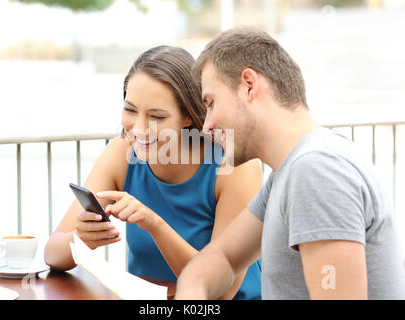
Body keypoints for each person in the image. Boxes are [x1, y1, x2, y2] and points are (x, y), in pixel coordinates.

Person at [175, 27, 405, 300]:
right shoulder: (288, 173)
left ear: (249, 85)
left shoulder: (316, 171)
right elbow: (220, 258)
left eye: (211, 103)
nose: (207, 125)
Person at [44, 45, 263, 300]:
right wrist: (81, 238)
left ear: (188, 117)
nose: (138, 129)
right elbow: (52, 254)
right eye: (130, 110)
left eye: (156, 116)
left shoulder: (234, 165)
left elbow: (221, 293)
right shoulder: (122, 154)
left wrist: (155, 224)